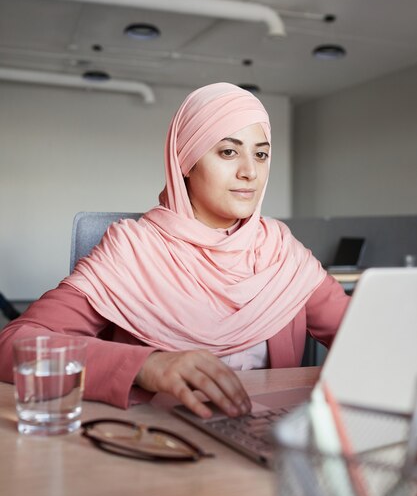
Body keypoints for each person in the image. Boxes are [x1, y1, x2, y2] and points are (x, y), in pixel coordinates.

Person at [0, 83, 350, 418]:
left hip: (263, 441)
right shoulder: (132, 249)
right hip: (157, 442)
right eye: (228, 151)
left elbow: (361, 331)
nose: (250, 172)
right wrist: (146, 365)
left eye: (260, 154)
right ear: (185, 161)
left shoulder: (281, 251)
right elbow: (14, 345)